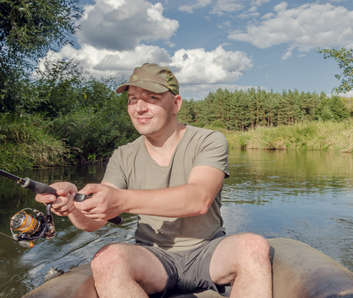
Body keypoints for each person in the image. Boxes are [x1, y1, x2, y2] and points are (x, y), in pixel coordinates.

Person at [35, 63, 272, 298]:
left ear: (176, 104)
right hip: (154, 258)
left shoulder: (209, 140)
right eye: (132, 100)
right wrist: (71, 205)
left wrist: (121, 200)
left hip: (208, 251)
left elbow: (198, 199)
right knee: (107, 259)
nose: (139, 108)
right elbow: (94, 221)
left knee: (253, 247)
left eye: (151, 98)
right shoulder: (123, 155)